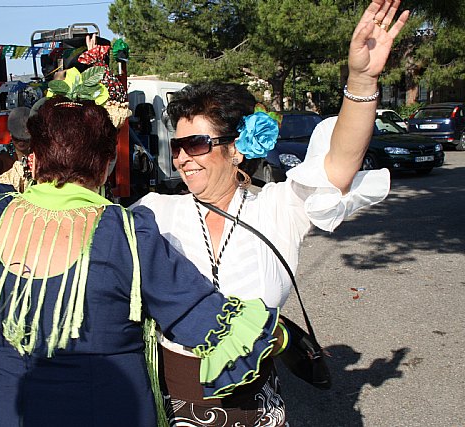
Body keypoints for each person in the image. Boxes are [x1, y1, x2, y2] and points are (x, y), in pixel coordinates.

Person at [0, 96, 288, 426]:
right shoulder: (128, 234)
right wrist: (273, 334)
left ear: (33, 160)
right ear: (105, 166)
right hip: (104, 410)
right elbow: (206, 321)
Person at [130, 1, 409, 424]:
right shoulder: (154, 212)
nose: (183, 158)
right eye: (177, 146)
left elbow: (338, 166)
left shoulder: (278, 207)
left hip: (257, 406)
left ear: (235, 148)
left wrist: (362, 79)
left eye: (197, 145)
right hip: (175, 404)